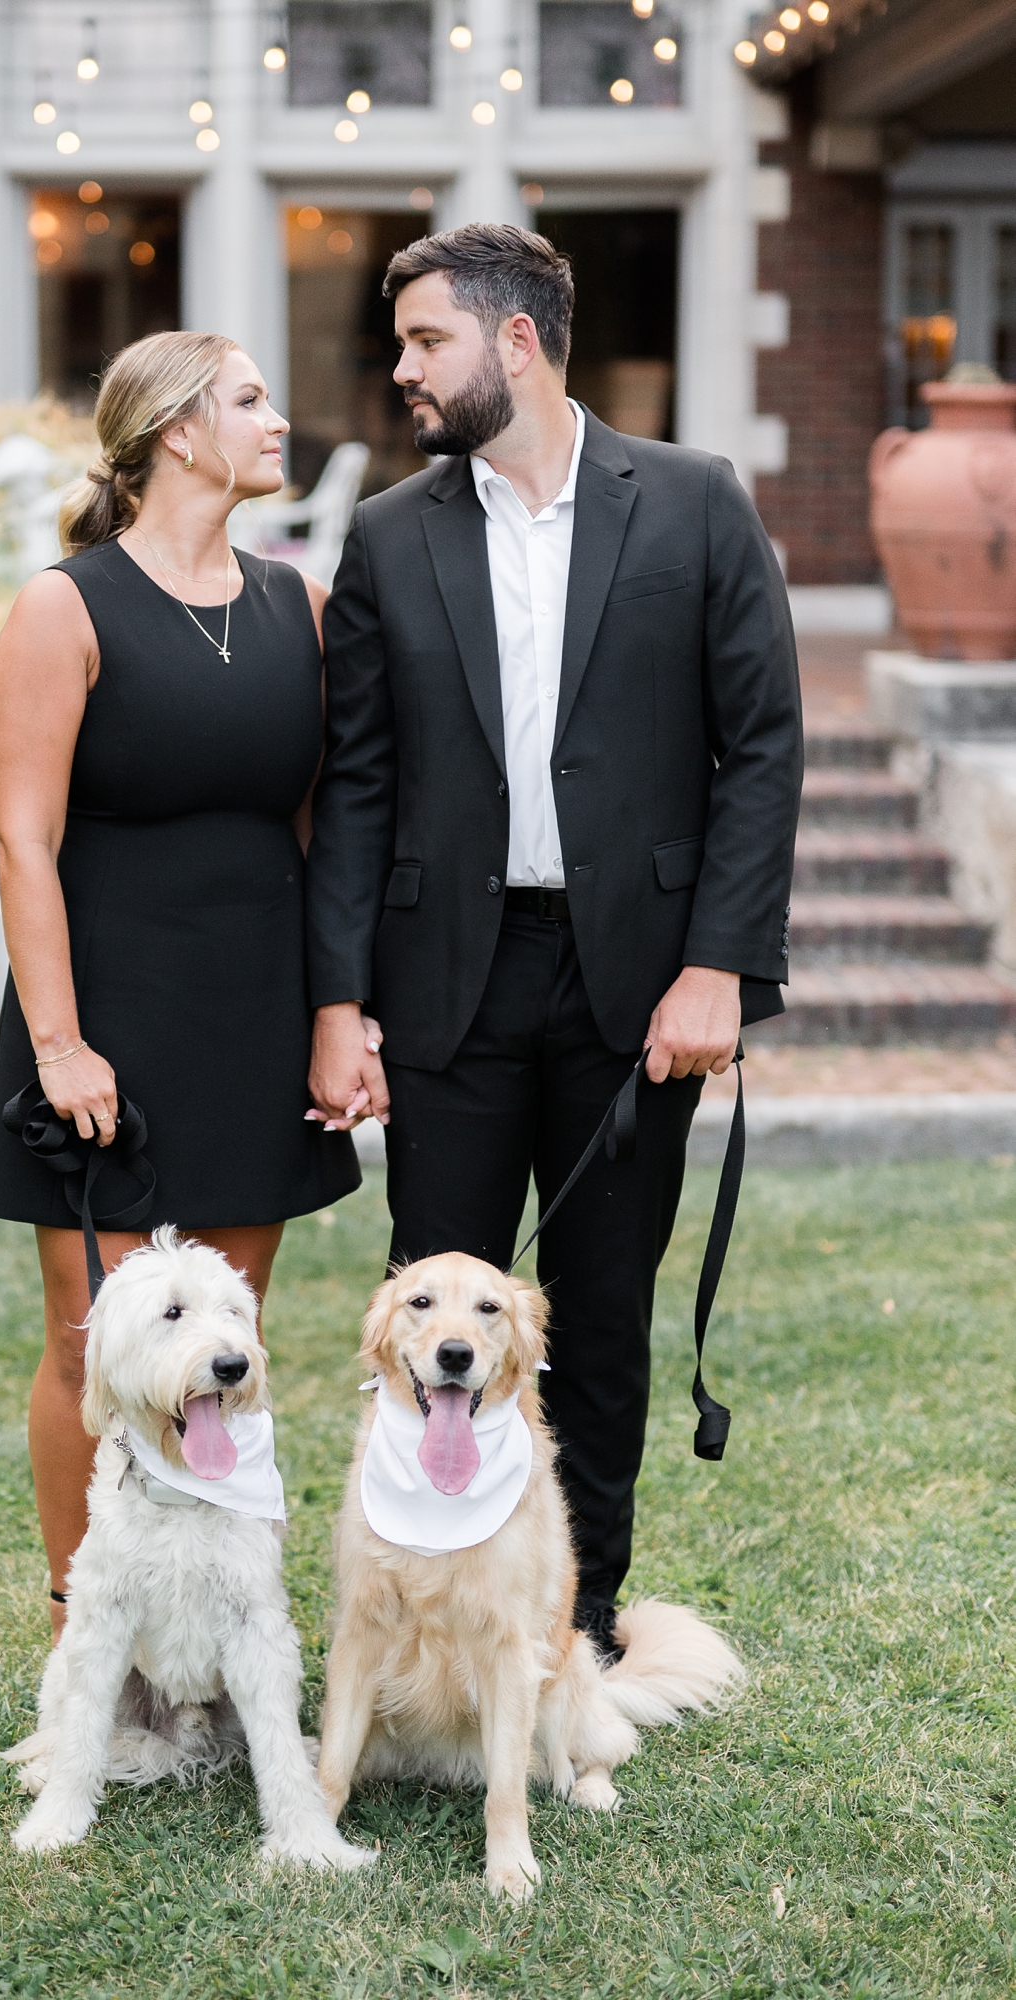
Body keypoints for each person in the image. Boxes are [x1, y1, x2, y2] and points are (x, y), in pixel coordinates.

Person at [304, 224, 803, 1659]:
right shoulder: (393, 533)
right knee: (439, 1324)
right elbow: (357, 783)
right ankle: (431, 1627)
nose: (401, 370)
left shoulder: (698, 504)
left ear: (514, 343)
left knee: (593, 1322)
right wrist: (339, 1001)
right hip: (442, 989)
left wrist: (720, 965)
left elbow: (760, 748)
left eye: (425, 342)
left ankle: (571, 1639)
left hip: (638, 985)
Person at [0, 330, 362, 1635]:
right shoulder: (62, 609)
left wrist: (334, 1018)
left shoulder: (299, 606)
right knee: (96, 1343)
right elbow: (22, 838)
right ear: (179, 435)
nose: (277, 420)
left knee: (218, 1359)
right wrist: (59, 1043)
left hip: (256, 1023)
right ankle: (85, 1634)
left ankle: (203, 1638)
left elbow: (323, 832)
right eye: (252, 400)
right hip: (105, 1027)